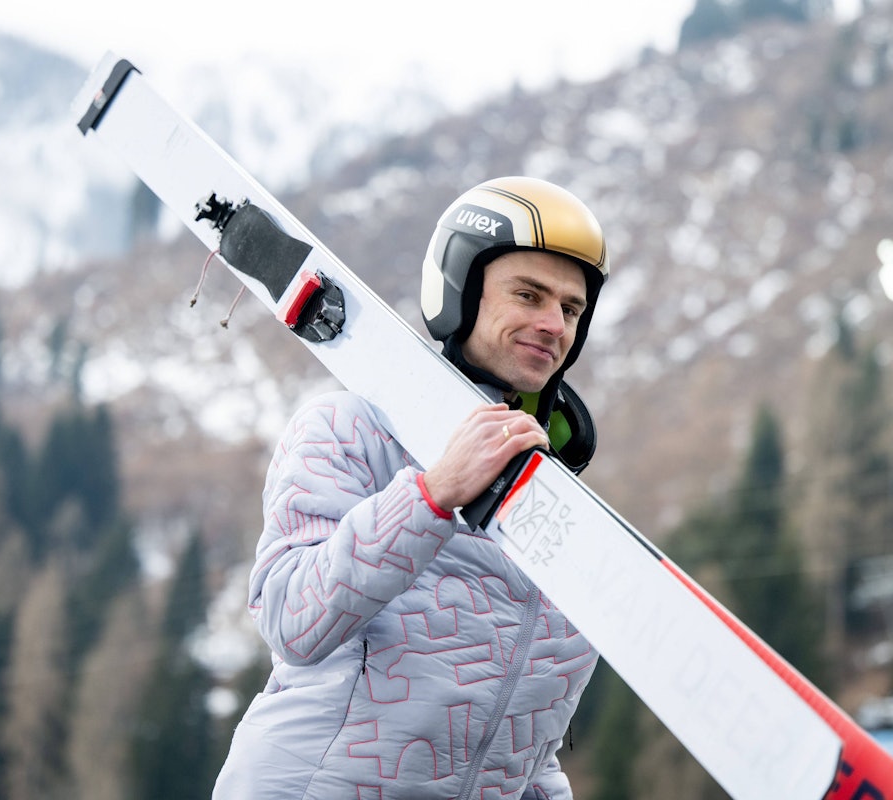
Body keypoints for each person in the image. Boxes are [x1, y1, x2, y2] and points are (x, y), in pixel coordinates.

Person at [213, 176, 610, 799]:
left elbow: (524, 745)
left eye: (570, 309)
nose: (552, 324)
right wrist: (432, 495)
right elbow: (294, 621)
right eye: (528, 295)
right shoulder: (348, 429)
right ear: (462, 292)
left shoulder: (553, 506)